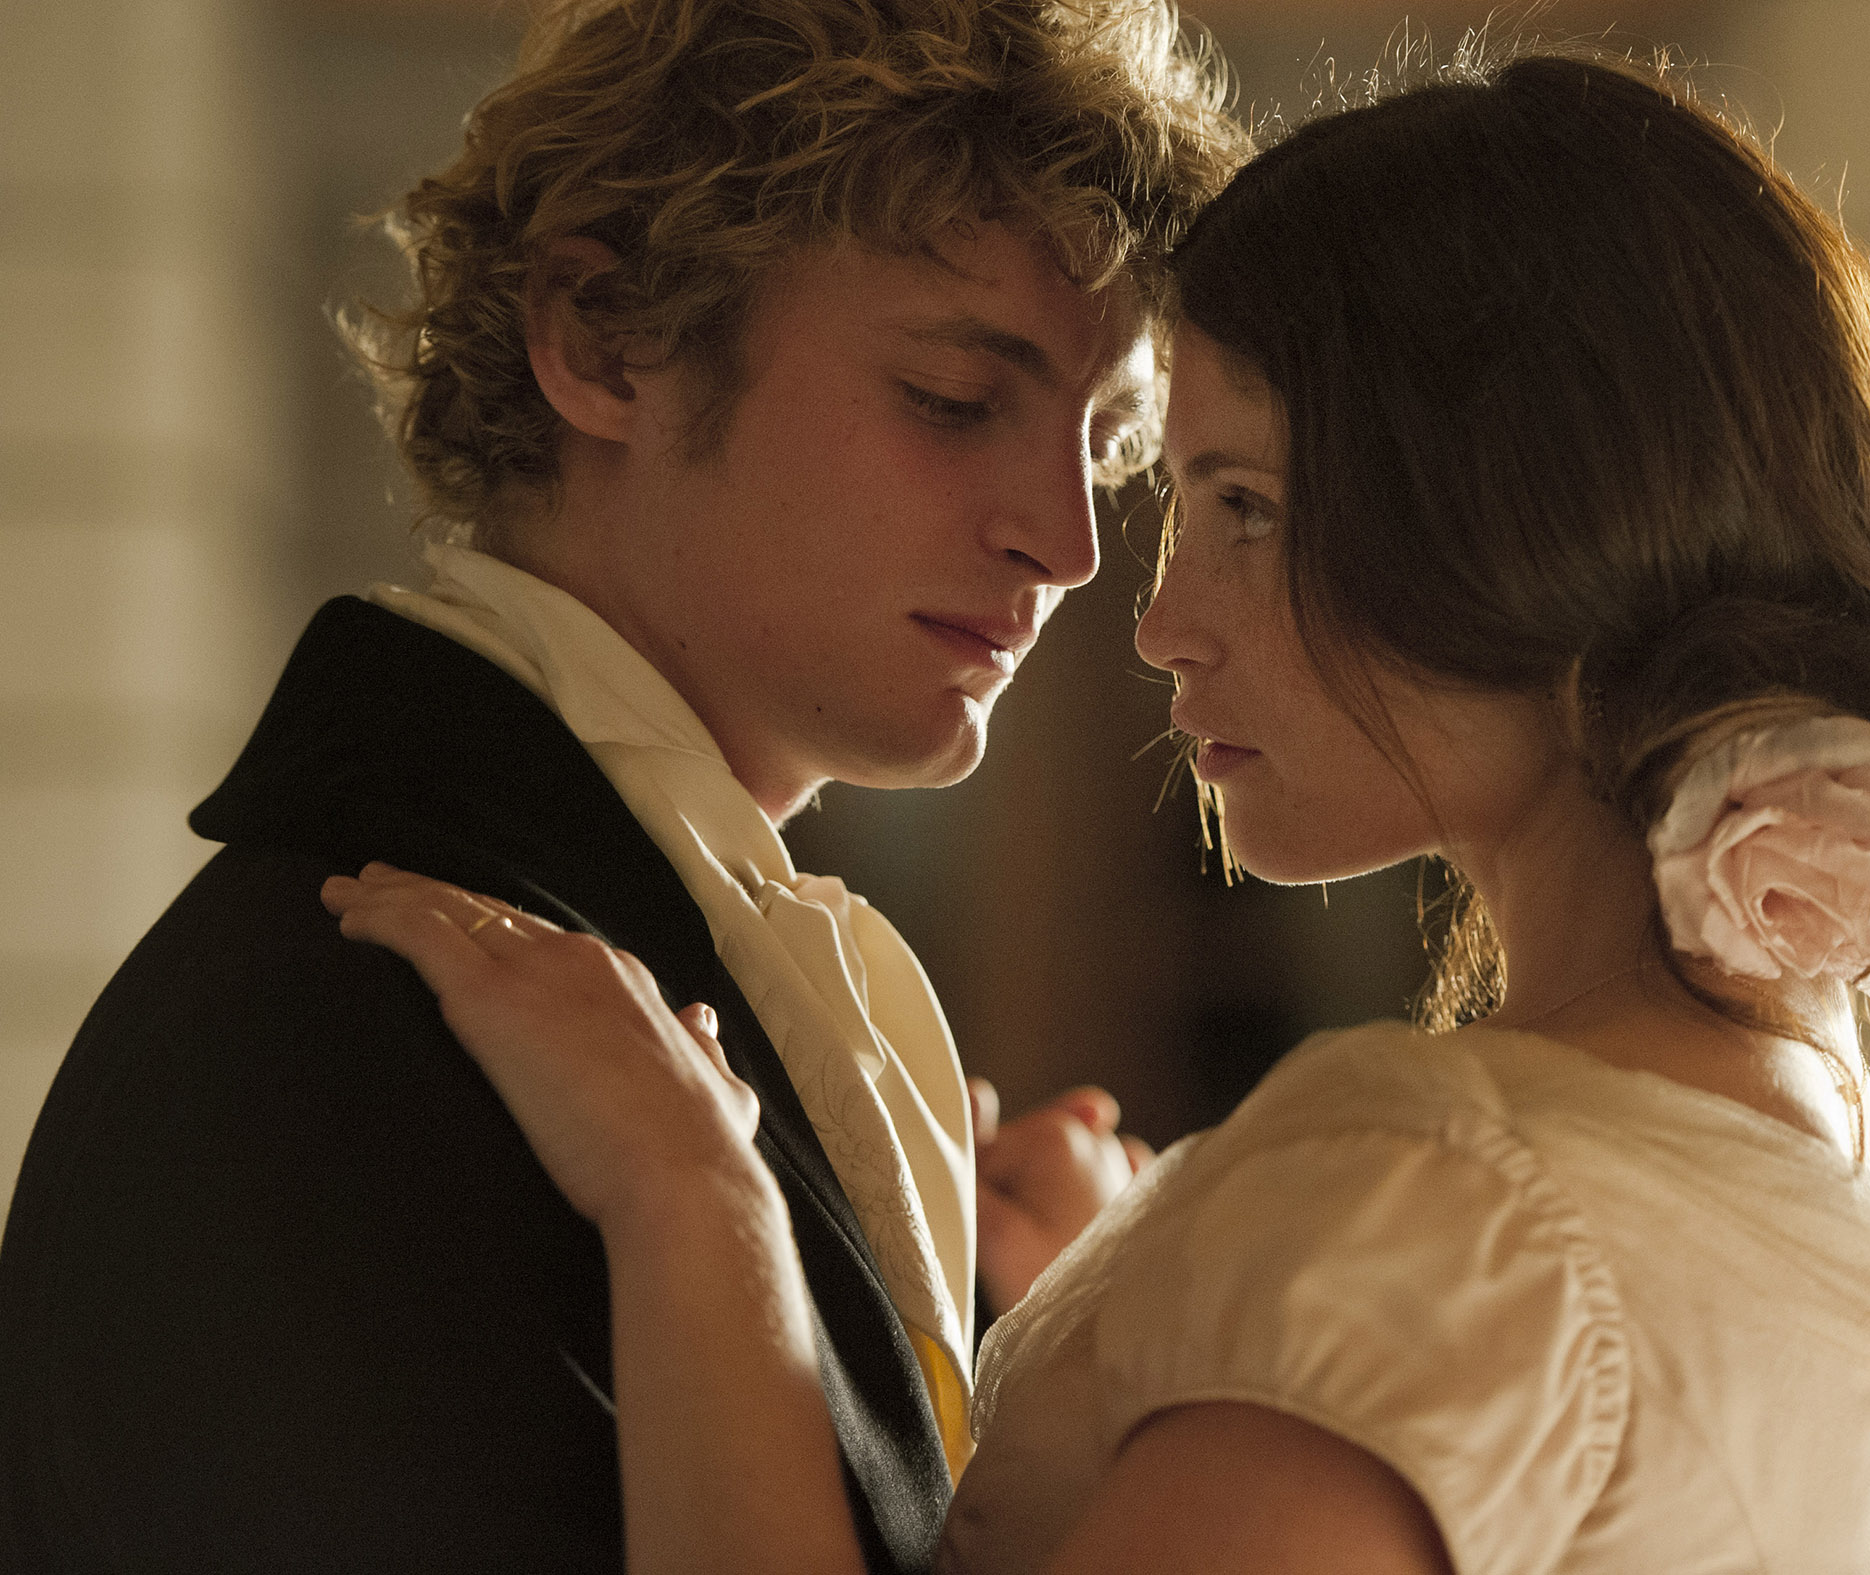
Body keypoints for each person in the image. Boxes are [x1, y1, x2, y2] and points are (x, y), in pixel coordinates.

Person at [321, 45, 1870, 1575]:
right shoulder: (1867, 1211)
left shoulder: (1441, 1200)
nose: (1147, 614)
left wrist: (697, 1212)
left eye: (1239, 503)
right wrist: (1147, 1330)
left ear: (1515, 516)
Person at [0, 3, 1243, 1571]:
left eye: (1107, 440)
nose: (1064, 544)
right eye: (951, 396)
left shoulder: (613, 968)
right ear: (600, 337)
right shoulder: (352, 1029)